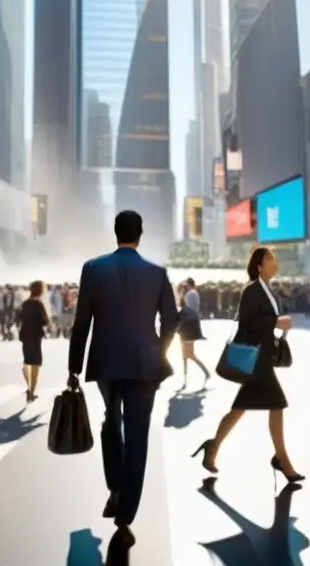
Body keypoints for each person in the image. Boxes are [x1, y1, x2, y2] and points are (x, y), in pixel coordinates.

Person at [68, 210, 179, 550]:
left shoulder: (92, 268)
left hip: (104, 359)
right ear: (140, 234)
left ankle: (115, 488)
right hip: (145, 362)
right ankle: (126, 512)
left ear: (115, 233)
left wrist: (74, 366)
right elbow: (172, 320)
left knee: (109, 421)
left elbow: (81, 320)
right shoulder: (157, 273)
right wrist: (159, 350)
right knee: (138, 434)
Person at [194, 247, 303, 485]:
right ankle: (282, 459)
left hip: (262, 359)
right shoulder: (252, 290)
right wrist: (277, 321)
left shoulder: (267, 290)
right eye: (270, 259)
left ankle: (212, 447)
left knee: (241, 408)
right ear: (259, 266)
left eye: (275, 258)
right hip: (256, 361)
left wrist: (277, 326)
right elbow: (247, 321)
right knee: (277, 404)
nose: (275, 262)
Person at [19, 281, 50, 402]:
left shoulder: (25, 303)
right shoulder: (39, 304)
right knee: (36, 363)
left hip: (25, 334)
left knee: (27, 361)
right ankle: (31, 391)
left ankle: (28, 387)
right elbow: (45, 321)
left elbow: (20, 317)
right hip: (35, 335)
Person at [177, 277, 211, 390]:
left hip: (189, 326)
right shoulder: (191, 293)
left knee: (189, 355)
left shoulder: (191, 294)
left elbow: (188, 310)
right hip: (186, 326)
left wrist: (181, 293)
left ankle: (206, 372)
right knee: (184, 355)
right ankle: (185, 380)